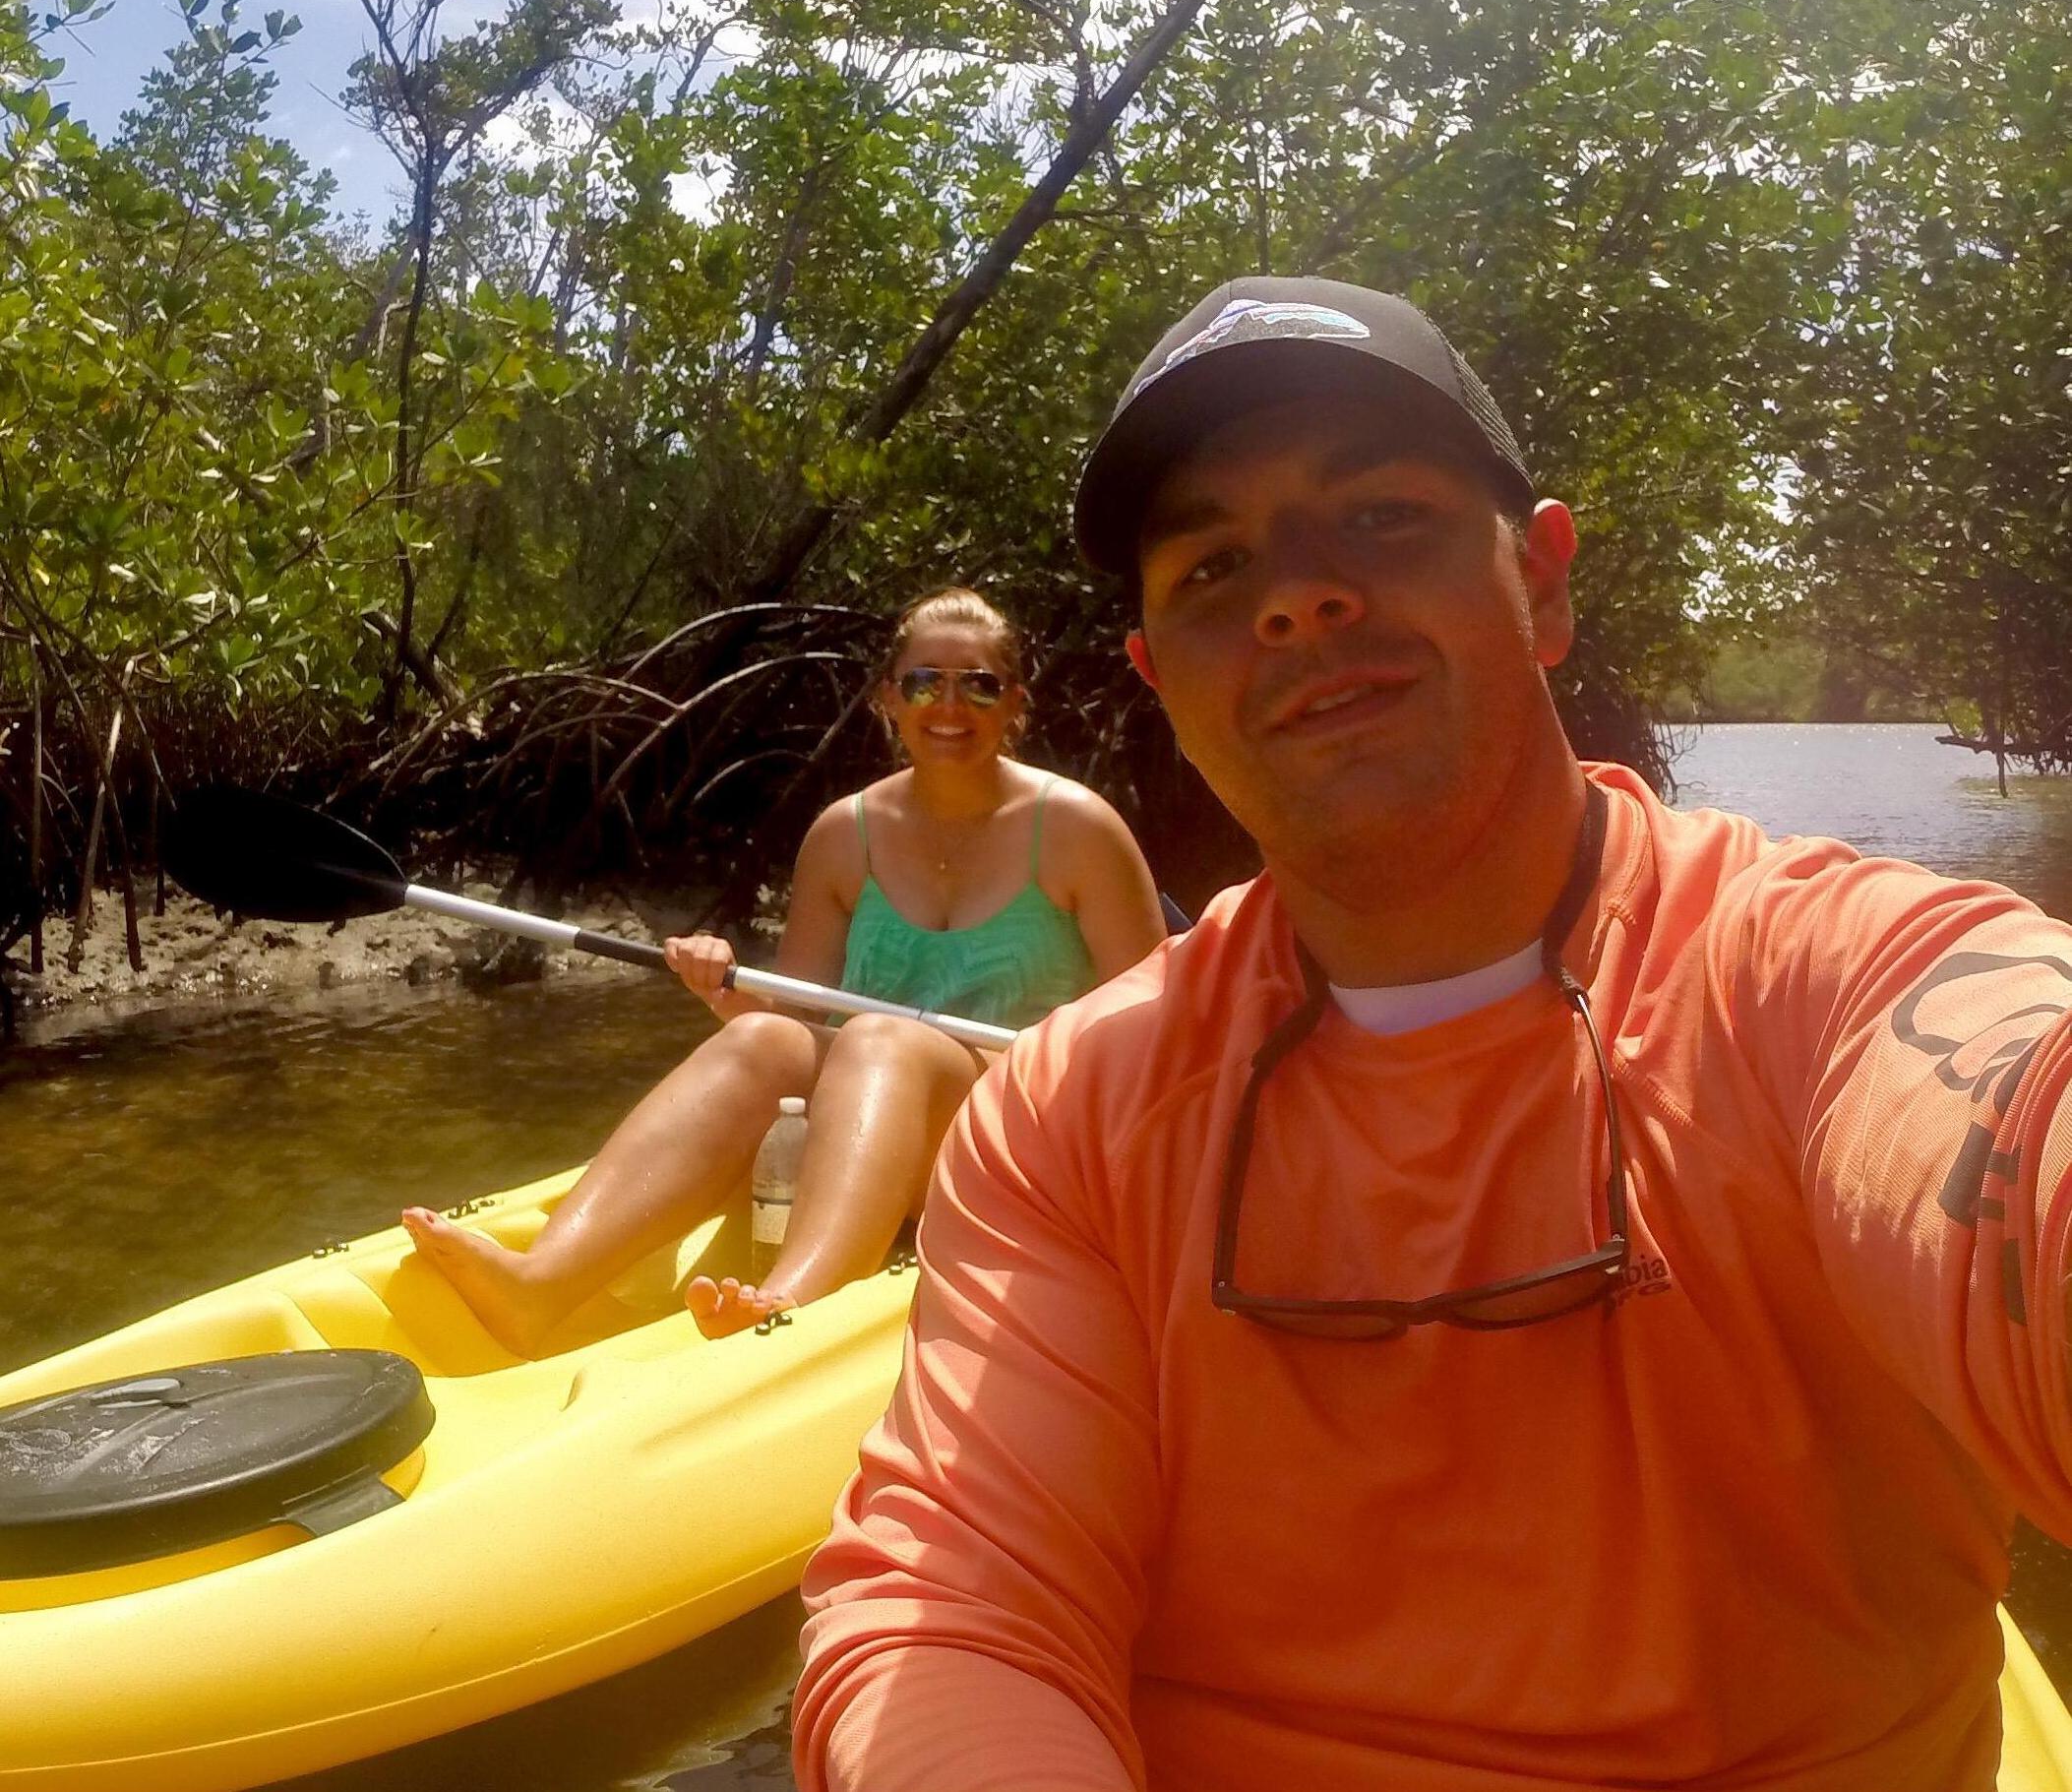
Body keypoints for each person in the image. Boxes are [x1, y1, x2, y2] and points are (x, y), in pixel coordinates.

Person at [793, 277, 2072, 1790]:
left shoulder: (1829, 977)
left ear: (1541, 582)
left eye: (1381, 517)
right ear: (1161, 683)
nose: (1293, 594)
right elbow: (953, 1605)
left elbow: (2014, 1122)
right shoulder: (1064, 1115)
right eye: (1212, 567)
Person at [402, 587, 1165, 1350]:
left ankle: (792, 1301)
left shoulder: (1078, 831)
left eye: (980, 684)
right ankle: (541, 1283)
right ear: (888, 700)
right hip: (873, 1121)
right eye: (926, 682)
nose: (950, 704)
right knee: (764, 1045)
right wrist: (725, 987)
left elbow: (1157, 1039)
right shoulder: (843, 836)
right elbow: (796, 1026)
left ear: (1016, 706)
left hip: (1020, 1146)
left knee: (879, 1040)